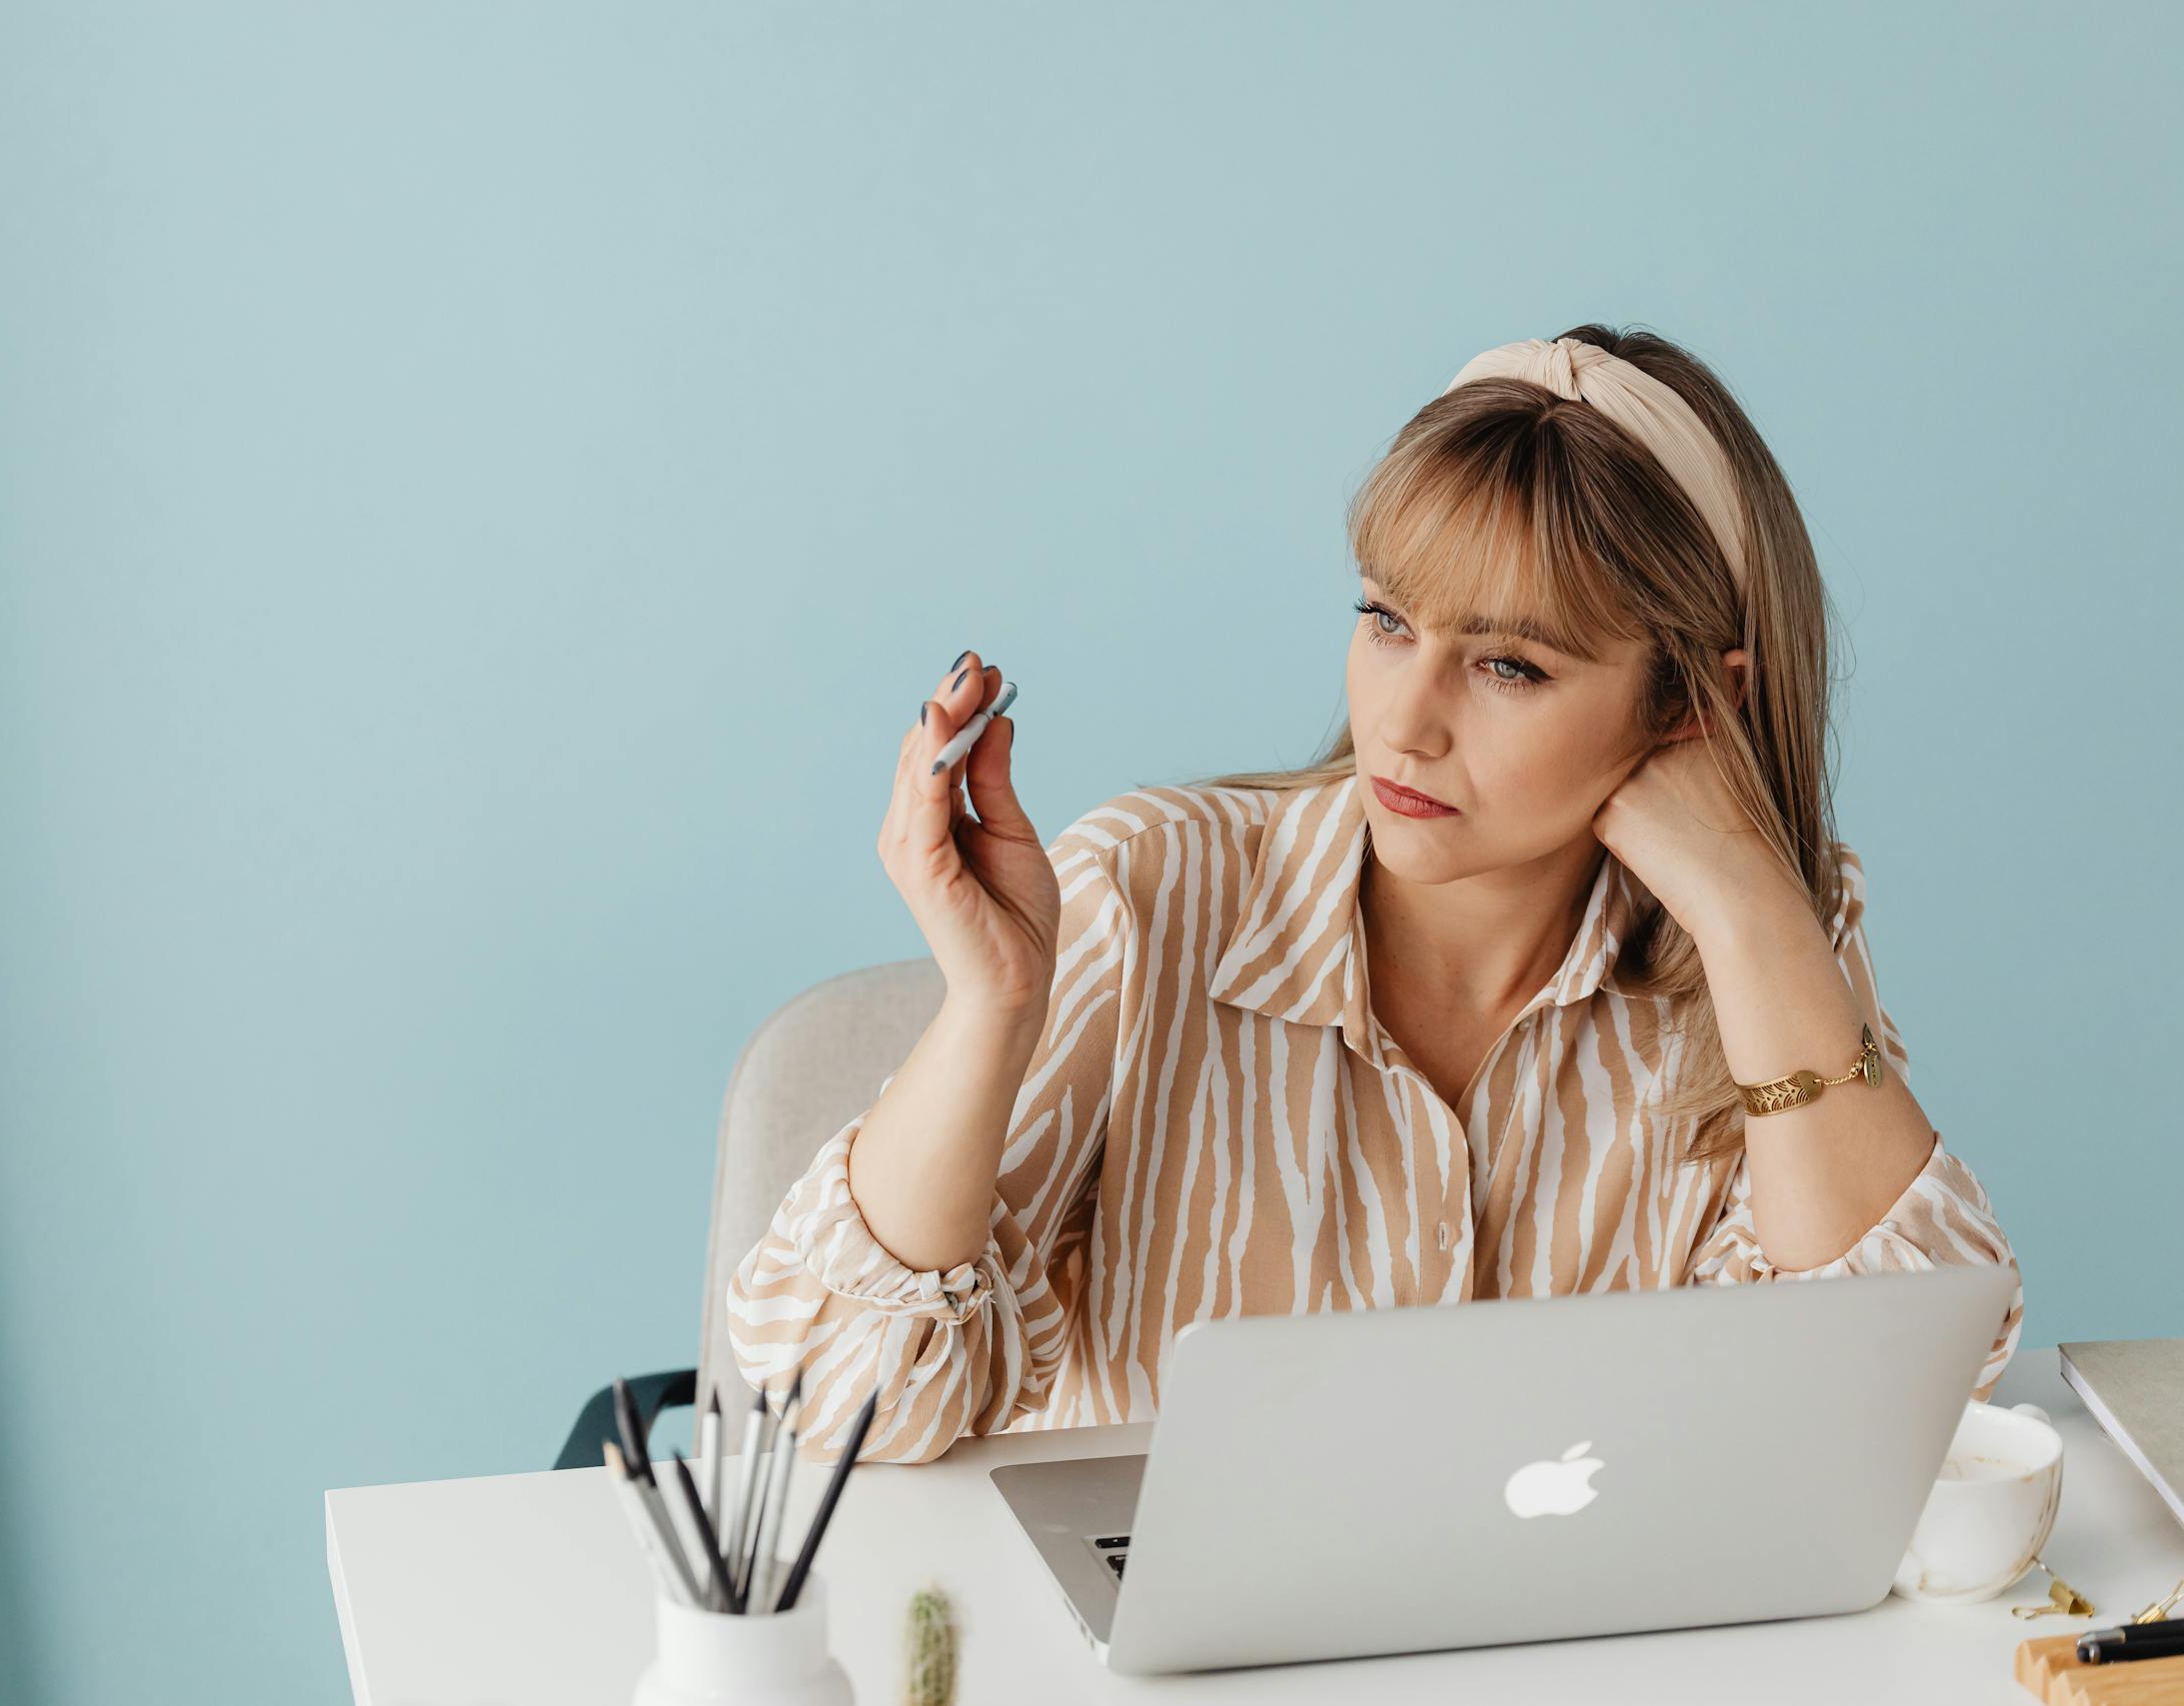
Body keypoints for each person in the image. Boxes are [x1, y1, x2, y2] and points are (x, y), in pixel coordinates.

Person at [727, 324, 2022, 1466]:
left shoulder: (1761, 962)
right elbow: (827, 1407)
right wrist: (995, 1004)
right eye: (1389, 621)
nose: (1404, 722)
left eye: (1509, 666)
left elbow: (1906, 1406)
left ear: (1688, 701)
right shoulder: (1152, 889)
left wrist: (1747, 910)